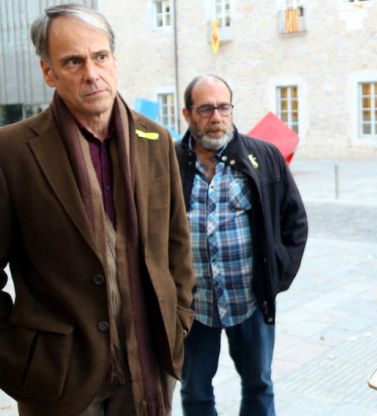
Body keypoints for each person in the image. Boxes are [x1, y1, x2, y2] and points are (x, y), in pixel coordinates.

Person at [0, 4, 195, 416]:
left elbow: (177, 247)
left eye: (100, 56)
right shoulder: (12, 151)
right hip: (58, 380)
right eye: (73, 61)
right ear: (48, 72)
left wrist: (178, 319)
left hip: (149, 367)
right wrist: (13, 354)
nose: (92, 73)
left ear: (114, 59)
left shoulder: (156, 140)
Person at [175, 75, 308, 416]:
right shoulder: (169, 163)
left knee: (258, 385)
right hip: (193, 307)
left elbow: (295, 222)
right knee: (194, 390)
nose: (216, 117)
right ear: (187, 114)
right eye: (205, 109)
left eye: (223, 107)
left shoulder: (262, 156)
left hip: (250, 302)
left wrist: (276, 278)